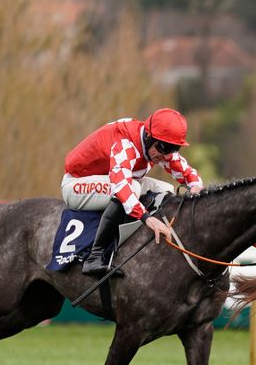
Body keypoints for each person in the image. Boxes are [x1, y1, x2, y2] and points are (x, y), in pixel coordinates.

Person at [61, 108, 204, 276]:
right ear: (149, 137)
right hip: (76, 185)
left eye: (174, 148)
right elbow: (121, 186)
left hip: (106, 180)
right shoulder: (126, 143)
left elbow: (188, 174)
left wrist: (196, 188)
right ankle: (95, 257)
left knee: (166, 190)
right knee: (133, 188)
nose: (167, 156)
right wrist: (147, 219)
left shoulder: (157, 146)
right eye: (164, 148)